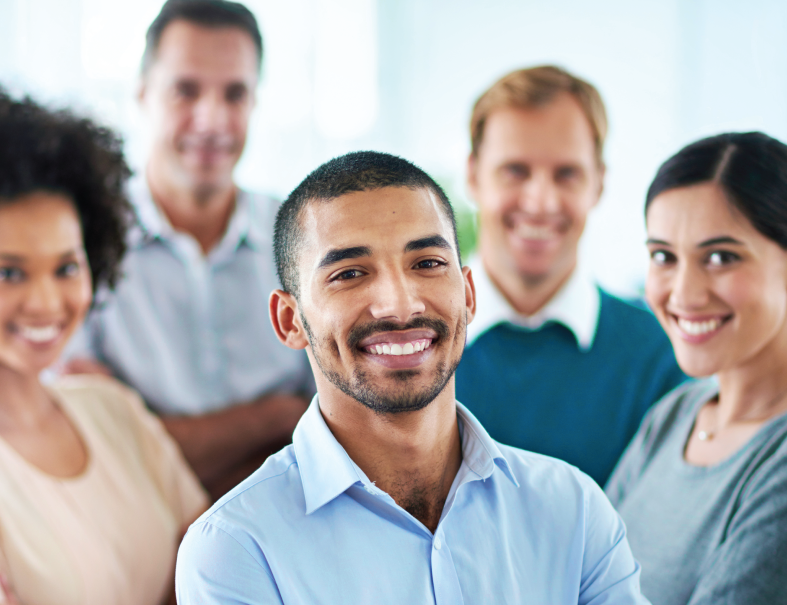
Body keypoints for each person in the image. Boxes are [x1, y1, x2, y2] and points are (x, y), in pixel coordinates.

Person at [175, 151, 648, 604]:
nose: (400, 306)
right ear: (289, 321)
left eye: (427, 264)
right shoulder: (236, 549)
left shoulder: (574, 511)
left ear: (468, 294)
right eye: (350, 274)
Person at [62, 0, 313, 500]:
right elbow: (104, 449)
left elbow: (344, 430)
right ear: (142, 94)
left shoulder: (307, 234)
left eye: (235, 94)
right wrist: (277, 417)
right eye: (186, 91)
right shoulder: (77, 244)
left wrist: (162, 441)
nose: (212, 120)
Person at [0, 87, 208, 605]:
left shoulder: (114, 410)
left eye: (66, 267)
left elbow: (214, 569)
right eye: (9, 273)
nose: (46, 302)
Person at [457, 65, 687, 485]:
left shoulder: (662, 357)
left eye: (566, 174)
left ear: (598, 183)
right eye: (515, 171)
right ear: (473, 175)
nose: (540, 202)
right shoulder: (407, 342)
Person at [605, 132, 787, 604]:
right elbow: (579, 570)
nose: (684, 293)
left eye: (721, 257)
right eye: (663, 256)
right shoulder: (676, 414)